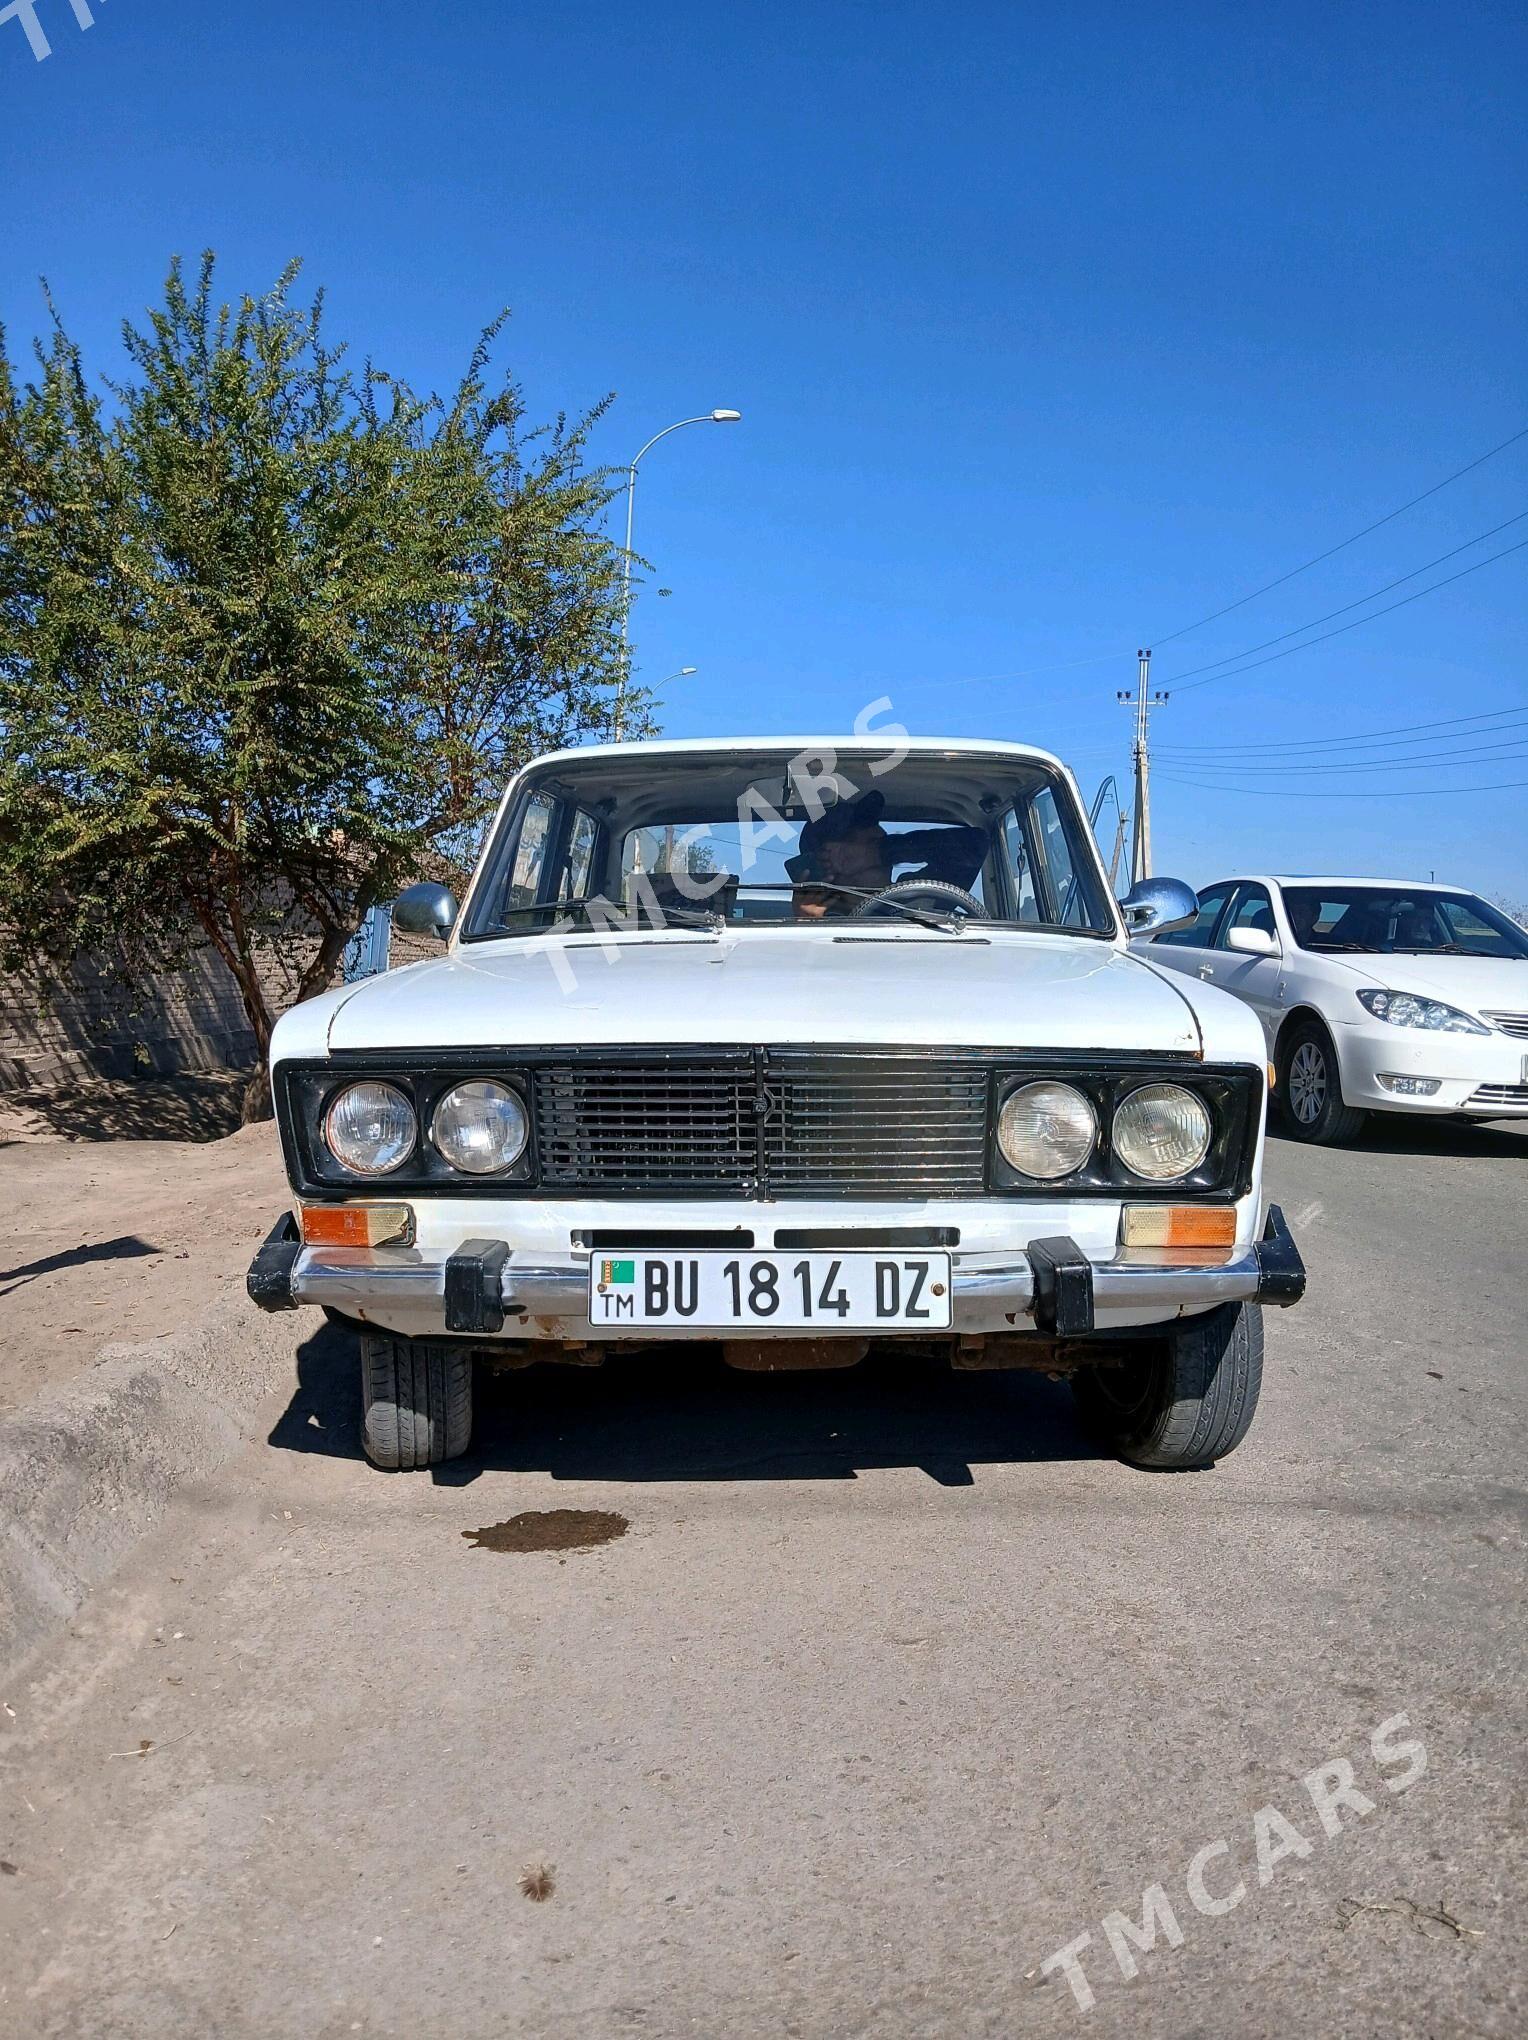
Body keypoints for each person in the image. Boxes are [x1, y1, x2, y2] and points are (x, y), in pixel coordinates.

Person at [785, 789, 988, 920]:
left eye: (887, 844)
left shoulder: (920, 897)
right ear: (828, 859)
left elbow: (973, 844)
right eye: (872, 843)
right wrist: (807, 923)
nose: (883, 840)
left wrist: (879, 853)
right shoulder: (818, 920)